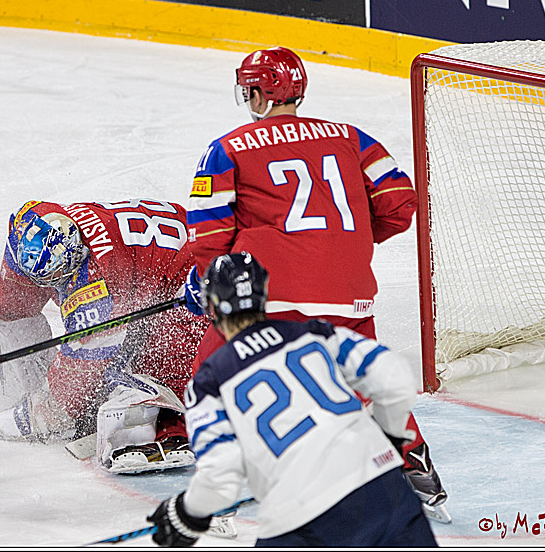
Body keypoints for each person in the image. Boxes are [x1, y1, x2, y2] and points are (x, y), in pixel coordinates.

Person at [181, 47, 448, 521]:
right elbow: (400, 203)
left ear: (261, 92)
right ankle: (414, 466)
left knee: (212, 381)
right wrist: (345, 245)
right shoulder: (352, 137)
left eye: (251, 90)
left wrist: (207, 282)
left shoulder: (228, 148)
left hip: (268, 292)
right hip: (349, 288)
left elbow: (210, 231)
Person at [147, 253, 438, 547]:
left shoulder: (208, 381)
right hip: (384, 491)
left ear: (211, 306)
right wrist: (388, 434)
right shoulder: (313, 333)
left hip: (300, 518)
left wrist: (185, 514)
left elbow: (219, 481)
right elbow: (393, 374)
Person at [0, 199, 208, 474]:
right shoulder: (34, 220)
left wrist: (48, 411)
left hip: (195, 270)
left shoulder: (94, 279)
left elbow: (85, 360)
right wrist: (13, 314)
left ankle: (172, 421)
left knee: (162, 357)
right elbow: (19, 272)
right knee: (118, 336)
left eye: (63, 272)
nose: (59, 279)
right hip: (175, 236)